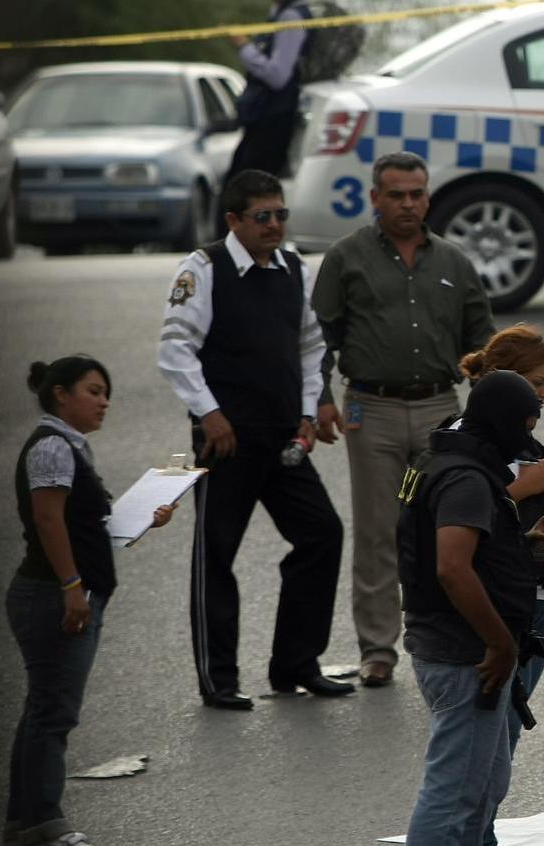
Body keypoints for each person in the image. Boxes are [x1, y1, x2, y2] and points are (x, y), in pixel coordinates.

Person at [157, 168, 348, 710]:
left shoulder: (294, 269)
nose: (274, 226)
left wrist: (309, 414)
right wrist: (209, 414)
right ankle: (218, 678)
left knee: (321, 535)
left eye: (281, 215)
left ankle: (296, 663)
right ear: (234, 220)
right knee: (216, 555)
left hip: (285, 436)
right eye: (261, 217)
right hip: (227, 441)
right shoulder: (204, 269)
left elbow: (313, 349)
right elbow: (174, 350)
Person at [312, 150, 495, 687]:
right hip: (374, 409)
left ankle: (445, 635)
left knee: (449, 528)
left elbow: (482, 338)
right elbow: (317, 338)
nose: (408, 204)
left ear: (428, 196)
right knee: (377, 531)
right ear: (375, 198)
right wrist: (319, 398)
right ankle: (378, 650)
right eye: (396, 195)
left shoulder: (454, 262)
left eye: (417, 194)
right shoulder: (346, 258)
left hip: (442, 408)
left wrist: (497, 398)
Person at [7, 357, 176, 846]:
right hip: (50, 595)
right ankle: (40, 821)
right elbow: (48, 520)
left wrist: (149, 517)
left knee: (45, 707)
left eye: (107, 394)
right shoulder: (54, 448)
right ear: (60, 394)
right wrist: (71, 588)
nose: (105, 402)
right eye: (94, 391)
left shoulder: (70, 449)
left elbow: (92, 528)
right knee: (53, 710)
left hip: (61, 591)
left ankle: (25, 822)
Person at [396, 372, 544, 846]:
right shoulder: (467, 479)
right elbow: (452, 569)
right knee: (454, 796)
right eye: (523, 425)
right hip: (467, 654)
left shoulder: (443, 461)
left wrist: (516, 544)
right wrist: (501, 644)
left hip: (454, 644)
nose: (526, 440)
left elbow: (457, 552)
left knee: (485, 785)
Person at [455, 326, 544, 750]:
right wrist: (525, 486)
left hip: (535, 592)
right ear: (505, 379)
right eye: (538, 383)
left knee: (508, 727)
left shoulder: (522, 438)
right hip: (501, 595)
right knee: (490, 731)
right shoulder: (467, 439)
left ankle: (485, 811)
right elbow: (457, 510)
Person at [226, 1, 311, 179]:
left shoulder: (291, 17)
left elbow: (277, 76)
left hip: (273, 123)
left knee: (251, 190)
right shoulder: (279, 14)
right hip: (262, 121)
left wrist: (244, 47)